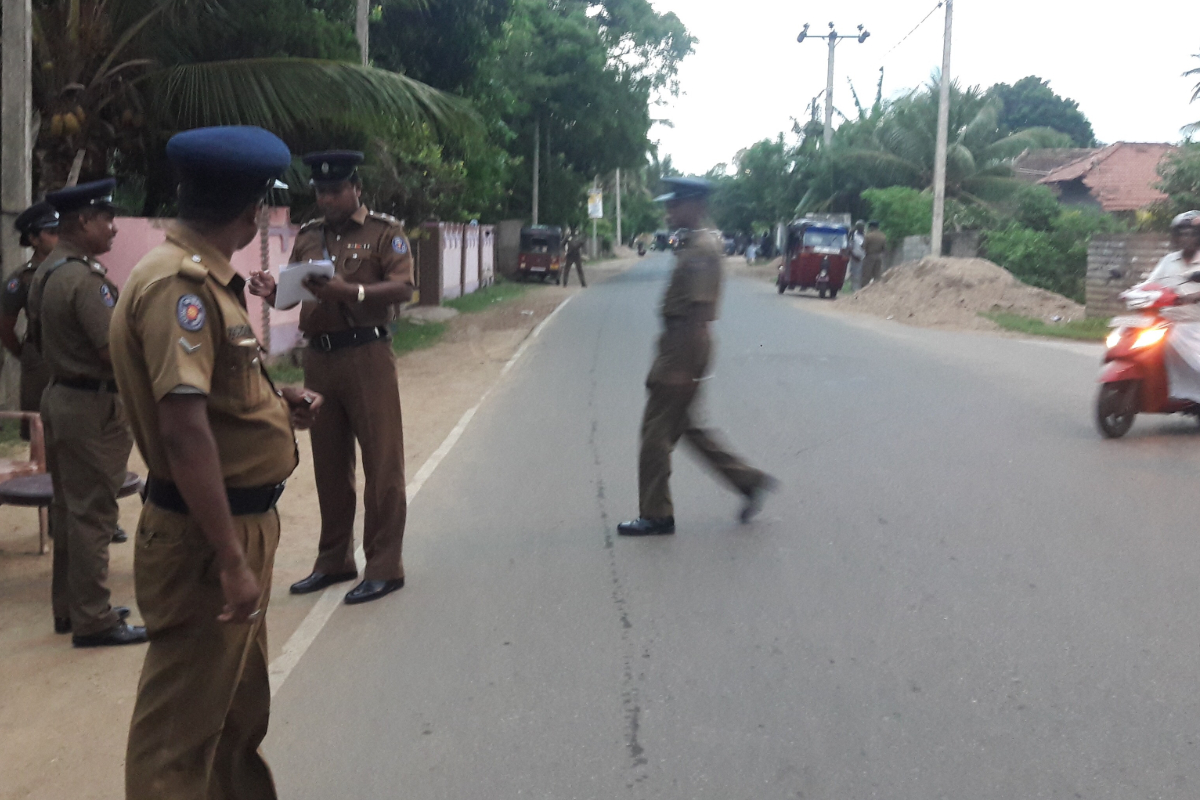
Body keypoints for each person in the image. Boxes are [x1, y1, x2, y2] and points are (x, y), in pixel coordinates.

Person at [112, 126, 321, 800]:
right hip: (210, 541)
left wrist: (275, 401)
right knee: (178, 743)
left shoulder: (200, 280)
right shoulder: (182, 289)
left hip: (233, 528)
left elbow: (212, 397)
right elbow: (182, 429)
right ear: (251, 209)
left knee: (234, 718)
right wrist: (231, 560)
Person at [249, 150, 413, 604]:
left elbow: (403, 286)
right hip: (319, 359)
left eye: (336, 189)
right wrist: (271, 292)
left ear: (355, 187)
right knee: (329, 465)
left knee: (383, 464)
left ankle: (384, 566)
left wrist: (354, 291)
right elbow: (294, 295)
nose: (328, 198)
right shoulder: (308, 235)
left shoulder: (385, 232)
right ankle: (334, 560)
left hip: (367, 353)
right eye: (321, 191)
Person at [617, 178, 776, 536]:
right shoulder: (696, 244)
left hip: (682, 349)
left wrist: (683, 370)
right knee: (687, 427)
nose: (669, 212)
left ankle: (656, 514)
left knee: (655, 436)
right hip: (679, 348)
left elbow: (700, 316)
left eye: (676, 205)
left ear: (695, 205)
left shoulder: (702, 249)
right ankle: (748, 480)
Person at [25, 179, 141, 644]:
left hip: (61, 397)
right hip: (92, 405)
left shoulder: (50, 272)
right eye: (106, 219)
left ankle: (70, 608)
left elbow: (33, 339)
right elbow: (113, 352)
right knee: (94, 513)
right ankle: (93, 618)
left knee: (70, 509)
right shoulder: (85, 282)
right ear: (82, 222)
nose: (113, 227)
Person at [1, 201, 58, 440]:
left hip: (75, 356)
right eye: (52, 232)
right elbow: (5, 326)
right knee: (41, 433)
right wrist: (25, 353)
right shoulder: (22, 279)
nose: (59, 237)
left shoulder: (76, 269)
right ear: (34, 239)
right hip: (40, 358)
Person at [1145, 211, 1200, 283]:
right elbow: (1151, 283)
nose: (1186, 239)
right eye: (1182, 234)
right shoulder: (1169, 259)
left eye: (1192, 234)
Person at [862, 220, 887, 286]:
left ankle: (864, 291)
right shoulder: (883, 236)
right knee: (877, 276)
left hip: (869, 257)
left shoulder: (868, 236)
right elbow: (884, 249)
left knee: (866, 276)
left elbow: (864, 247)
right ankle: (877, 291)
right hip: (879, 257)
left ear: (871, 227)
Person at [848, 220, 866, 292]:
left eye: (862, 227)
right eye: (859, 227)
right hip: (854, 257)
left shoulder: (866, 236)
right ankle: (853, 289)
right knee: (854, 274)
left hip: (863, 258)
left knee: (862, 274)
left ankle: (860, 290)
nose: (861, 228)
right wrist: (853, 255)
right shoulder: (853, 235)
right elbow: (849, 246)